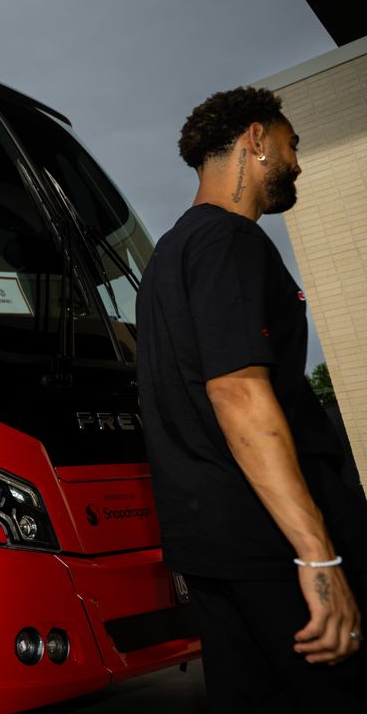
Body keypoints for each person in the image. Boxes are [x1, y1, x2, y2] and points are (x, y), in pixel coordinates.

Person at [136, 87, 367, 708]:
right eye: (293, 146)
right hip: (275, 546)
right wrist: (318, 559)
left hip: (219, 549)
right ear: (256, 139)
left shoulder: (168, 256)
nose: (298, 162)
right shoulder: (227, 242)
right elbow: (238, 391)